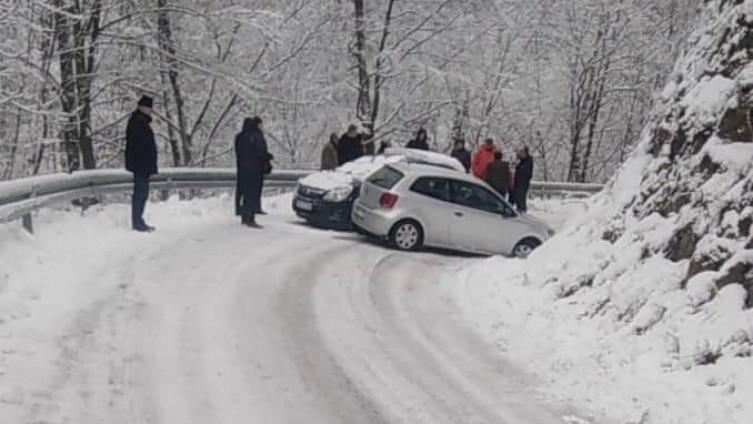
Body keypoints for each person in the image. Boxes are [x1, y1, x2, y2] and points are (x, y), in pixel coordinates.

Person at [125, 95, 158, 232]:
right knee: (140, 193)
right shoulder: (138, 122)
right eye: (148, 108)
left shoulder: (138, 121)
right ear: (142, 107)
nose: (150, 111)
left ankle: (138, 220)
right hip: (141, 165)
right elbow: (140, 145)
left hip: (141, 164)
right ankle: (137, 222)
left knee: (141, 193)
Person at [235, 117, 273, 228]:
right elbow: (261, 152)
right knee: (252, 194)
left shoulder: (239, 137)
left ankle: (244, 216)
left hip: (242, 169)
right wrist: (268, 157)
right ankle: (250, 218)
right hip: (255, 170)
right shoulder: (256, 136)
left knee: (245, 193)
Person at [511, 146, 533, 212]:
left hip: (522, 183)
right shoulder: (522, 160)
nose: (521, 154)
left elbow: (524, 171)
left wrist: (518, 166)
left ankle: (522, 211)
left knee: (521, 199)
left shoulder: (528, 161)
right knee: (517, 198)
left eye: (522, 153)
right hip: (518, 183)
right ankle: (519, 209)